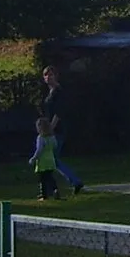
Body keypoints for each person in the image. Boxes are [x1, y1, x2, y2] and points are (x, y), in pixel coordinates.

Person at [38, 65, 85, 194]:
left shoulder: (59, 92)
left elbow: (59, 112)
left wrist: (51, 129)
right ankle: (52, 188)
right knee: (50, 159)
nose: (48, 77)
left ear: (56, 76)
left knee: (52, 159)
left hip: (56, 130)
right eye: (46, 75)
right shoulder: (48, 93)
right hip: (47, 129)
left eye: (51, 75)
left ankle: (74, 181)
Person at [30, 117, 63, 201]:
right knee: (50, 177)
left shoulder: (40, 138)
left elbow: (39, 150)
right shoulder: (52, 137)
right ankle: (55, 189)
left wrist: (34, 158)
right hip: (50, 159)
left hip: (42, 161)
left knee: (42, 179)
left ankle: (44, 195)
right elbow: (55, 146)